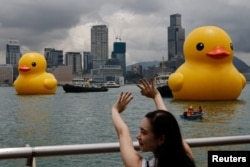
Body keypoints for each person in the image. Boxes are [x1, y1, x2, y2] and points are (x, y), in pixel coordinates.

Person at [112, 78, 195, 167]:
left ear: (161, 139)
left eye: (144, 132)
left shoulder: (141, 165)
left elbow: (122, 132)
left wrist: (115, 109)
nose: (138, 136)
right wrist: (156, 96)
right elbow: (169, 125)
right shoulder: (187, 157)